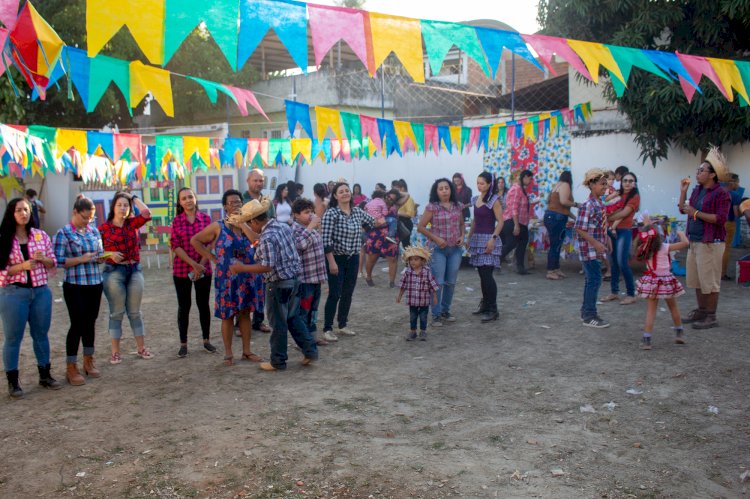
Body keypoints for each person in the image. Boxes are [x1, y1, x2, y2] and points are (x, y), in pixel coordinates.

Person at [228, 199, 318, 371]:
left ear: (254, 221)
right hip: (294, 280)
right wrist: (243, 225)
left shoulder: (268, 236)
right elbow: (258, 238)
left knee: (278, 324)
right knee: (293, 318)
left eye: (249, 223)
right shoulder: (281, 226)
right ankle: (310, 351)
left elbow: (267, 265)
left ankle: (278, 360)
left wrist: (241, 268)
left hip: (278, 284)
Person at [191, 189, 264, 366]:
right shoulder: (218, 226)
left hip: (248, 276)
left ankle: (246, 351)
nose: (236, 205)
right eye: (232, 202)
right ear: (225, 207)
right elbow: (196, 241)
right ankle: (228, 353)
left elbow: (258, 240)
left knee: (246, 313)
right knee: (227, 315)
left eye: (239, 202)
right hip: (227, 278)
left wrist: (243, 225)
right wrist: (213, 259)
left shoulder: (249, 223)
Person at [0, 198, 60, 398]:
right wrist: (21, 267)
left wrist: (44, 259)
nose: (23, 213)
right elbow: (3, 271)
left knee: (41, 335)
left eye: (26, 209)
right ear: (11, 213)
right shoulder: (4, 238)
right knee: (13, 338)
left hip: (40, 292)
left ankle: (45, 374)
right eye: (19, 210)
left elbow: (54, 263)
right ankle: (13, 382)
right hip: (14, 294)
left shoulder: (40, 235)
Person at [678, 148, 731, 329]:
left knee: (710, 281)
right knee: (697, 279)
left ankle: (711, 315)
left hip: (711, 242)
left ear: (712, 175)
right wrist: (683, 192)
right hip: (695, 240)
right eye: (698, 170)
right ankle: (701, 311)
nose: (698, 173)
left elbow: (720, 219)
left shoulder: (721, 194)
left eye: (702, 170)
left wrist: (696, 213)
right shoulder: (697, 190)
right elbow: (683, 209)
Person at [53, 195, 105, 385]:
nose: (87, 221)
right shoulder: (63, 233)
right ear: (74, 212)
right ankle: (71, 366)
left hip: (94, 282)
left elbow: (98, 253)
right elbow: (57, 261)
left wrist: (101, 258)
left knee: (90, 322)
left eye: (90, 218)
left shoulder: (93, 231)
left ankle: (88, 360)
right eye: (84, 217)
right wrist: (81, 259)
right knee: (77, 324)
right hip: (75, 285)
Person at [98, 191, 153, 365]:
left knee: (135, 312)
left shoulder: (132, 224)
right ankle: (115, 352)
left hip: (134, 270)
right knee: (116, 312)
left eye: (126, 205)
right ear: (113, 207)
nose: (122, 208)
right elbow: (96, 254)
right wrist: (110, 254)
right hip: (114, 272)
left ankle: (141, 348)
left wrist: (133, 197)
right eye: (119, 205)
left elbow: (146, 214)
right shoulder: (103, 229)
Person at [321, 182, 375, 341]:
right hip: (336, 258)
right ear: (335, 196)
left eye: (347, 190)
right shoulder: (331, 214)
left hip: (353, 258)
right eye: (341, 191)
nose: (345, 193)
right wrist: (331, 262)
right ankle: (327, 328)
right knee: (335, 293)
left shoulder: (358, 212)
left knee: (348, 293)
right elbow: (326, 241)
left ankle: (342, 324)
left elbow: (372, 222)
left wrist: (362, 233)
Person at [170, 187, 216, 358]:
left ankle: (206, 340)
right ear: (180, 203)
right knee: (184, 307)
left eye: (190, 197)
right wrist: (193, 265)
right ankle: (183, 344)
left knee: (203, 305)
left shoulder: (206, 219)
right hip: (182, 270)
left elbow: (210, 243)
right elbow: (176, 246)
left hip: (204, 267)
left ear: (195, 199)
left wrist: (201, 264)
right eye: (184, 198)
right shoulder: (177, 221)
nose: (188, 200)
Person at [417, 178, 464, 325]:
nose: (444, 191)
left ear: (451, 190)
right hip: (438, 250)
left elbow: (462, 224)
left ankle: (445, 311)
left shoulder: (458, 206)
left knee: (451, 282)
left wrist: (462, 236)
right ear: (436, 192)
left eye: (447, 188)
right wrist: (436, 239)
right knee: (438, 282)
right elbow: (421, 227)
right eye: (441, 188)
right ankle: (436, 314)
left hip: (455, 250)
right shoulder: (432, 207)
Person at [635, 219, 688, 350]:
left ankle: (647, 340)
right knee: (673, 307)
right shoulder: (665, 247)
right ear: (658, 236)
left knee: (651, 311)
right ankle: (679, 333)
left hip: (652, 282)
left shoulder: (644, 249)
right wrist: (681, 233)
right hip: (666, 281)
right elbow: (685, 243)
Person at [574, 169, 611, 328]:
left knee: (592, 280)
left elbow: (598, 226)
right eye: (602, 184)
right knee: (594, 280)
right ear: (592, 184)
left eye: (606, 183)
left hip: (594, 250)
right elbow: (579, 228)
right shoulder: (588, 205)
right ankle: (589, 315)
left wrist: (606, 238)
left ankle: (586, 311)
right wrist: (596, 243)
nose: (605, 186)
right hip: (588, 250)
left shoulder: (599, 204)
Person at [466, 172, 503, 323]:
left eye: (482, 183)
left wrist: (492, 239)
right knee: (482, 275)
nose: (479, 185)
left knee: (487, 275)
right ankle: (486, 305)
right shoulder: (476, 199)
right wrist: (469, 237)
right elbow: (475, 220)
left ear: (489, 184)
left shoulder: (494, 200)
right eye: (478, 183)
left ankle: (493, 309)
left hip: (489, 239)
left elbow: (501, 221)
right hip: (477, 239)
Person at [291, 198, 328, 345]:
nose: (311, 215)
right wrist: (311, 227)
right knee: (303, 312)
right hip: (304, 279)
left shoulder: (311, 228)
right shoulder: (295, 229)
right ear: (296, 215)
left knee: (313, 311)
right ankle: (303, 342)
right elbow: (299, 245)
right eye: (307, 212)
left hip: (315, 277)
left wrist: (312, 227)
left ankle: (312, 338)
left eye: (312, 211)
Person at [601, 172, 641, 305]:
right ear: (621, 182)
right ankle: (614, 292)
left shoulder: (634, 196)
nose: (628, 183)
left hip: (624, 231)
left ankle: (631, 294)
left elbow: (624, 213)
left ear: (634, 183)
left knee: (622, 262)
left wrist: (607, 218)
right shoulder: (617, 193)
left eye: (631, 181)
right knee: (613, 263)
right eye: (625, 180)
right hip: (611, 230)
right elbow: (604, 202)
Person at [242, 168, 273, 333]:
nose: (258, 183)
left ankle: (258, 320)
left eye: (261, 180)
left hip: (263, 246)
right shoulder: (240, 199)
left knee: (263, 284)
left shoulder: (267, 201)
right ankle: (240, 323)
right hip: (244, 246)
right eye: (255, 180)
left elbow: (272, 222)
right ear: (248, 181)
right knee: (243, 284)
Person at [397, 245, 439, 341]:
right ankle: (413, 332)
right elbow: (403, 285)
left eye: (416, 259)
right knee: (413, 317)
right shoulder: (407, 272)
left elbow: (432, 284)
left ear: (422, 261)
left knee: (423, 317)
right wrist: (399, 296)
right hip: (412, 300)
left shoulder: (427, 272)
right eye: (411, 260)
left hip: (424, 300)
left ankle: (423, 331)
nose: (413, 262)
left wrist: (435, 297)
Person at [543, 171, 577, 280]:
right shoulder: (565, 185)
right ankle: (550, 271)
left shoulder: (557, 186)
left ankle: (556, 268)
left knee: (557, 244)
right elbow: (564, 202)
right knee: (555, 245)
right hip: (557, 218)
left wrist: (575, 218)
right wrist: (576, 205)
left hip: (551, 216)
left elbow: (563, 208)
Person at [500, 169, 534, 275]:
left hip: (521, 222)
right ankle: (495, 261)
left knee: (522, 242)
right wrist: (516, 225)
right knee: (511, 243)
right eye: (530, 178)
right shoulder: (516, 189)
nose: (530, 181)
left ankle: (520, 267)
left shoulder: (522, 190)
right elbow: (514, 208)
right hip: (513, 220)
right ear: (524, 177)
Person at [363, 191, 400, 288]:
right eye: (388, 196)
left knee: (392, 259)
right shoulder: (376, 204)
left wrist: (380, 223)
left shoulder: (394, 208)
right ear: (385, 195)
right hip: (375, 236)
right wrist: (376, 223)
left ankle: (392, 282)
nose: (389, 199)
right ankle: (369, 277)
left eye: (392, 199)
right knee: (372, 259)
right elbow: (367, 221)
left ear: (395, 201)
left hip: (390, 237)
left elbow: (406, 196)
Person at [721, 173, 741, 280]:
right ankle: (722, 273)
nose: (738, 185)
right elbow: (736, 213)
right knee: (726, 248)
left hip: (717, 222)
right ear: (732, 182)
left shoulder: (718, 192)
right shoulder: (735, 195)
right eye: (737, 182)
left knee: (716, 247)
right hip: (729, 223)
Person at [394, 180, 416, 248]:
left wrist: (397, 213)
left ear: (402, 188)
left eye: (396, 188)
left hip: (405, 223)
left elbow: (410, 214)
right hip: (397, 222)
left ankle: (409, 258)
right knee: (394, 244)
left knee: (406, 245)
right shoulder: (396, 198)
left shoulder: (409, 199)